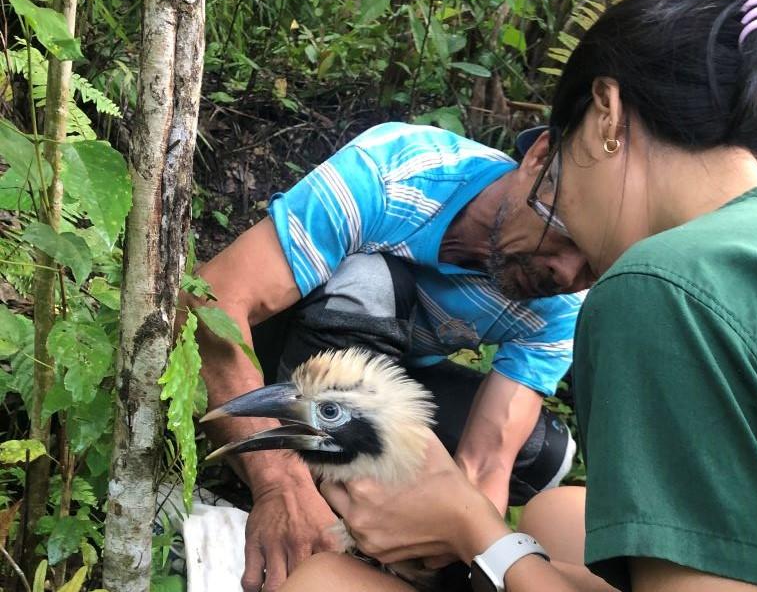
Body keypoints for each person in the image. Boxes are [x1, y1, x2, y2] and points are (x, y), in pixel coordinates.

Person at [280, 0, 757, 591]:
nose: (574, 257)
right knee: (553, 512)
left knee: (323, 581)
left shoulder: (660, 285)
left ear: (605, 115)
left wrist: (477, 534)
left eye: (560, 177)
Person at [189, 117, 596, 591]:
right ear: (539, 158)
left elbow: (485, 465)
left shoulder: (563, 304)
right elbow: (213, 299)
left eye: (593, 262)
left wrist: (451, 547)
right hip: (298, 355)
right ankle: (300, 491)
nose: (566, 273)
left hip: (390, 377)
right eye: (564, 233)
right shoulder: (398, 172)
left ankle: (361, 531)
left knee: (542, 450)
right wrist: (278, 484)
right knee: (372, 282)